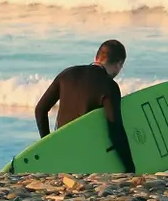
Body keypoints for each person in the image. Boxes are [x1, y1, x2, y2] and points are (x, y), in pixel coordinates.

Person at [35, 39, 136, 173]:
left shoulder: (67, 74)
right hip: (87, 156)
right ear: (119, 64)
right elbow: (115, 130)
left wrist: (47, 144)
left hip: (62, 149)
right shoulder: (109, 86)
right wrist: (130, 168)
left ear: (96, 57)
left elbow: (40, 110)